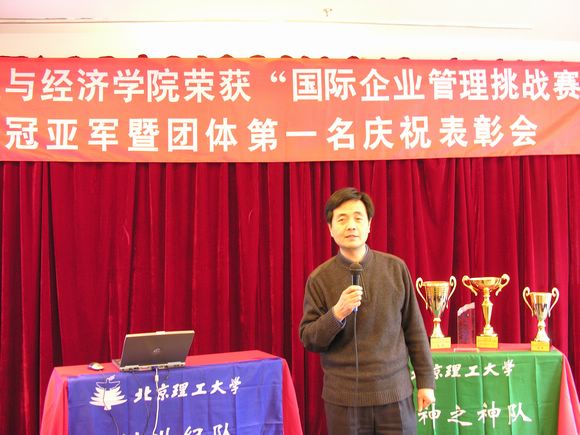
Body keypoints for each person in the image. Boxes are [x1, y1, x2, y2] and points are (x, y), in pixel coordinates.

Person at [299, 187, 435, 434]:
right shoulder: (319, 279)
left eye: (358, 218)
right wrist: (337, 313)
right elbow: (309, 339)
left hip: (395, 394)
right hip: (344, 400)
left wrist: (426, 381)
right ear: (330, 229)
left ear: (370, 225)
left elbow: (414, 329)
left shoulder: (395, 268)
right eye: (342, 219)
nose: (351, 225)